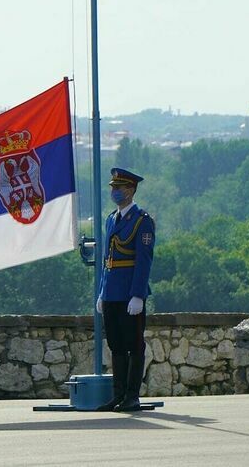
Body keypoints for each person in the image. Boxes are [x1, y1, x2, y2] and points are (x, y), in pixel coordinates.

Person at [95, 168, 156, 412]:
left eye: (118, 188)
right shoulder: (112, 219)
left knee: (134, 345)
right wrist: (102, 291)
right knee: (116, 346)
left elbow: (144, 261)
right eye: (112, 187)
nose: (114, 192)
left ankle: (132, 396)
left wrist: (138, 295)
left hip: (130, 294)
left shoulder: (142, 221)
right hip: (112, 292)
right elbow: (106, 259)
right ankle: (117, 395)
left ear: (130, 190)